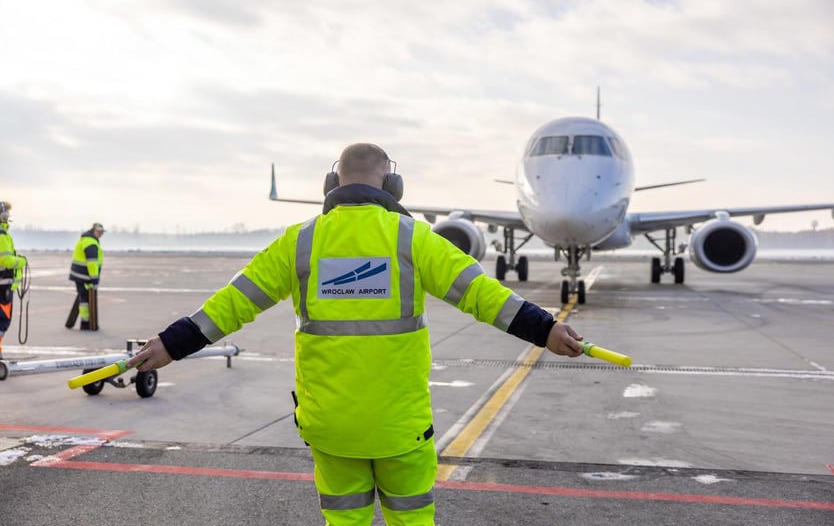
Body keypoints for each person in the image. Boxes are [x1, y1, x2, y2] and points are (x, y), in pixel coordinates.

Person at [128, 143, 585, 525]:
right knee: (412, 519)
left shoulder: (299, 242)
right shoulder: (413, 238)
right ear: (392, 186)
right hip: (399, 428)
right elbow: (485, 296)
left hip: (331, 428)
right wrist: (545, 329)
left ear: (332, 183)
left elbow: (231, 304)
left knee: (345, 520)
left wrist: (171, 345)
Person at [0, 201, 27, 360]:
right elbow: (6, 261)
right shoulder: (2, 236)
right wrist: (21, 261)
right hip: (2, 286)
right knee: (2, 321)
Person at [68, 222, 105, 330]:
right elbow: (92, 263)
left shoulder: (87, 239)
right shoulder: (90, 242)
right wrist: (94, 279)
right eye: (99, 232)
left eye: (102, 232)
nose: (101, 234)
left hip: (80, 275)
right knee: (85, 299)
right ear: (94, 231)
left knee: (83, 297)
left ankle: (86, 321)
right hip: (84, 276)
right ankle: (86, 323)